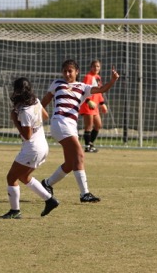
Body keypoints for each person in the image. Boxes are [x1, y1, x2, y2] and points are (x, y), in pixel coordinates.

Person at [40, 59, 119, 203]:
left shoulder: (83, 87)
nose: (67, 73)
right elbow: (43, 103)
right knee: (79, 155)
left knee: (70, 163)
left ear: (77, 72)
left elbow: (101, 90)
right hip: (59, 123)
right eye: (65, 71)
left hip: (71, 126)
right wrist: (34, 120)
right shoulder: (57, 84)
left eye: (70, 71)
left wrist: (112, 80)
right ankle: (85, 194)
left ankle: (47, 184)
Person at [0, 77, 60, 219]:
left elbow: (27, 135)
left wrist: (15, 120)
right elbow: (45, 116)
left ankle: (15, 211)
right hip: (42, 146)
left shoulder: (25, 110)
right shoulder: (36, 101)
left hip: (32, 148)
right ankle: (50, 200)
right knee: (24, 176)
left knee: (11, 177)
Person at [79, 59, 109, 153]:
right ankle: (87, 146)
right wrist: (88, 101)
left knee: (98, 125)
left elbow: (99, 92)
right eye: (94, 66)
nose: (96, 68)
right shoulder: (88, 77)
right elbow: (83, 90)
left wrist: (102, 103)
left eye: (98, 66)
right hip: (88, 105)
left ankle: (91, 144)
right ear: (91, 67)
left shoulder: (98, 77)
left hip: (95, 106)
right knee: (89, 126)